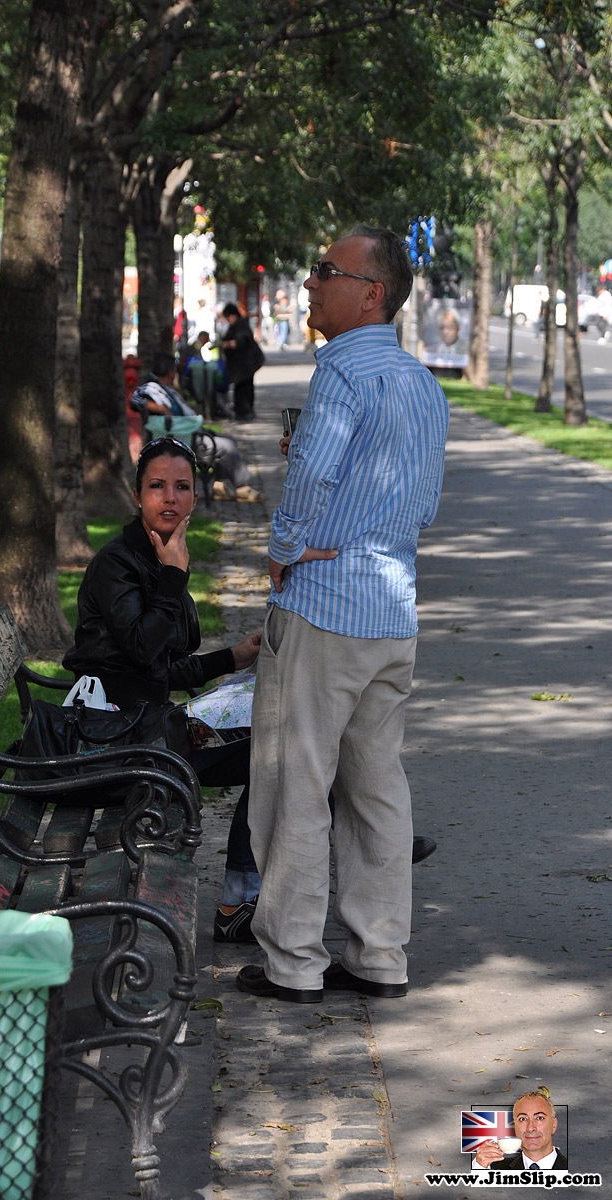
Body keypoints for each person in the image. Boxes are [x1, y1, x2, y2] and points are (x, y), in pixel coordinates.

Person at [237, 225, 450, 1005]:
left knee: (294, 784)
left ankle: (293, 962)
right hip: (392, 610)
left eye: (323, 270)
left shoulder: (340, 375)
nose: (308, 282)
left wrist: (285, 548)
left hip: (325, 609)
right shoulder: (422, 385)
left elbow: (311, 479)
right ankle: (378, 955)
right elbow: (423, 504)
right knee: (375, 789)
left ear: (371, 294)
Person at [62, 436, 262, 929]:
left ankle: (251, 892)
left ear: (195, 495)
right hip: (117, 740)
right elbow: (142, 649)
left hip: (145, 726)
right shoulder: (120, 564)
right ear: (137, 495)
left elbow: (155, 669)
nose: (170, 498)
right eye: (157, 486)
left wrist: (231, 659)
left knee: (285, 744)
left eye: (182, 487)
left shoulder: (158, 552)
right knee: (278, 752)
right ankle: (244, 898)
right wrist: (174, 577)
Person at [130, 353, 263, 502]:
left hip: (186, 433)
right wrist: (158, 408)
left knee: (228, 440)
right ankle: (242, 487)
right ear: (171, 372)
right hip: (181, 438)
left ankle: (219, 486)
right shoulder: (153, 388)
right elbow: (135, 399)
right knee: (227, 446)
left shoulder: (166, 389)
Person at [473, 1088, 568, 1170]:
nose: (530, 1128)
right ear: (515, 1126)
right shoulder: (494, 1169)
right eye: (523, 1119)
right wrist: (479, 1166)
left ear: (554, 1125)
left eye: (539, 1118)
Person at [220, 302, 264, 422]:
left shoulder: (241, 325)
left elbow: (241, 340)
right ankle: (242, 410)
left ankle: (245, 411)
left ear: (233, 315)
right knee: (242, 387)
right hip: (243, 364)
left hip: (246, 363)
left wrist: (228, 344)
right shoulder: (237, 325)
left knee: (244, 387)